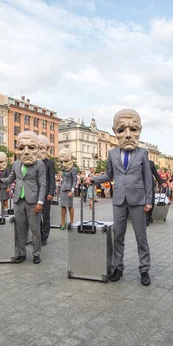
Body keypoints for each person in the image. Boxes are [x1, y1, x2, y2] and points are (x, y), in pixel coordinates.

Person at [87, 109, 153, 286]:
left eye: (133, 130)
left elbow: (148, 179)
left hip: (138, 200)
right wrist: (93, 179)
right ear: (115, 132)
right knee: (118, 235)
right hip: (119, 200)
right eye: (122, 130)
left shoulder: (142, 153)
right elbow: (109, 175)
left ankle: (144, 269)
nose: (128, 135)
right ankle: (118, 267)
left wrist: (148, 201)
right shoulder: (112, 154)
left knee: (141, 237)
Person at [0, 131, 46, 264]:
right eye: (22, 148)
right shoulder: (16, 164)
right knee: (19, 229)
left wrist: (40, 202)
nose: (27, 152)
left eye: (31, 147)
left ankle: (36, 253)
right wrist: (0, 180)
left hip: (33, 202)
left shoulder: (39, 164)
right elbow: (11, 179)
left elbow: (43, 185)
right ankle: (21, 253)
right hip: (18, 200)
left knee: (35, 229)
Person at [37, 135, 56, 246]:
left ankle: (45, 237)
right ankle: (38, 235)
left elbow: (52, 178)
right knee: (37, 216)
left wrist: (51, 193)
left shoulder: (49, 162)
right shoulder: (35, 163)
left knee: (46, 216)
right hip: (36, 193)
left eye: (41, 148)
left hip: (46, 194)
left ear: (46, 149)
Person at [58, 148, 77, 230]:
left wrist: (72, 191)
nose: (63, 163)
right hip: (62, 190)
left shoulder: (73, 169)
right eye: (62, 161)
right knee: (62, 207)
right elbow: (63, 179)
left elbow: (75, 181)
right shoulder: (63, 169)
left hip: (69, 190)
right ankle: (63, 223)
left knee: (70, 207)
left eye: (65, 161)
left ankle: (72, 222)